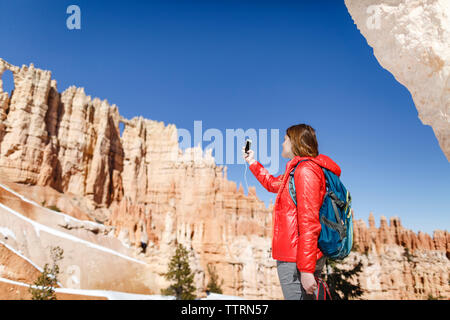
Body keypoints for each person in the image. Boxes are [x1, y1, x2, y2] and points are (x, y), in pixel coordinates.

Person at [242, 124, 341, 300]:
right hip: (299, 256)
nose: (282, 143)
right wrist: (252, 162)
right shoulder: (296, 172)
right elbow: (272, 184)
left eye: (285, 139)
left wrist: (306, 269)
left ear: (295, 142)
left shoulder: (305, 171)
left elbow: (309, 222)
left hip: (296, 258)